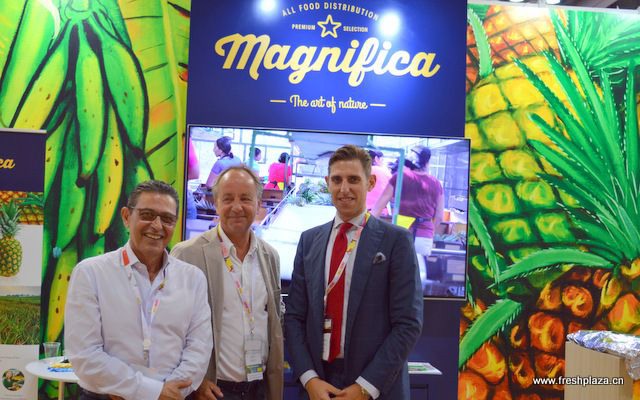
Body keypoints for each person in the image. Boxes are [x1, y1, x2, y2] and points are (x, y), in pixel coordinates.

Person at [284, 145, 423, 400]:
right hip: (318, 385)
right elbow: (294, 317)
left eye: (353, 180)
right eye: (337, 180)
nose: (344, 188)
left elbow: (408, 323)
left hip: (375, 387)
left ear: (370, 183)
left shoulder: (396, 241)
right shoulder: (309, 241)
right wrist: (309, 378)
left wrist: (365, 387)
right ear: (327, 182)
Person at [65, 180, 213, 400]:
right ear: (126, 217)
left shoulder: (193, 279)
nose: (157, 225)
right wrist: (149, 392)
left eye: (167, 219)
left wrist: (168, 392)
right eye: (147, 215)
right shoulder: (91, 273)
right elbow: (85, 354)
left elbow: (199, 349)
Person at [171, 165, 284, 400]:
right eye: (228, 198)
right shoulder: (187, 254)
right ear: (216, 203)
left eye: (245, 198)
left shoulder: (269, 256)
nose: (237, 207)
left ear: (259, 204)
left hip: (259, 389)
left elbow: (273, 320)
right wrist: (195, 380)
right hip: (212, 390)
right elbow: (170, 329)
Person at [371, 146, 444, 281]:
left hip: (401, 233)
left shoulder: (399, 178)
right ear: (428, 162)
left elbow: (378, 207)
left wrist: (366, 229)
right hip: (424, 236)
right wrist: (428, 231)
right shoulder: (436, 183)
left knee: (396, 275)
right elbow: (439, 216)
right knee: (419, 276)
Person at [365, 149, 391, 215]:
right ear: (376, 158)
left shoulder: (361, 171)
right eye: (382, 159)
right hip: (381, 212)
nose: (383, 162)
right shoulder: (385, 172)